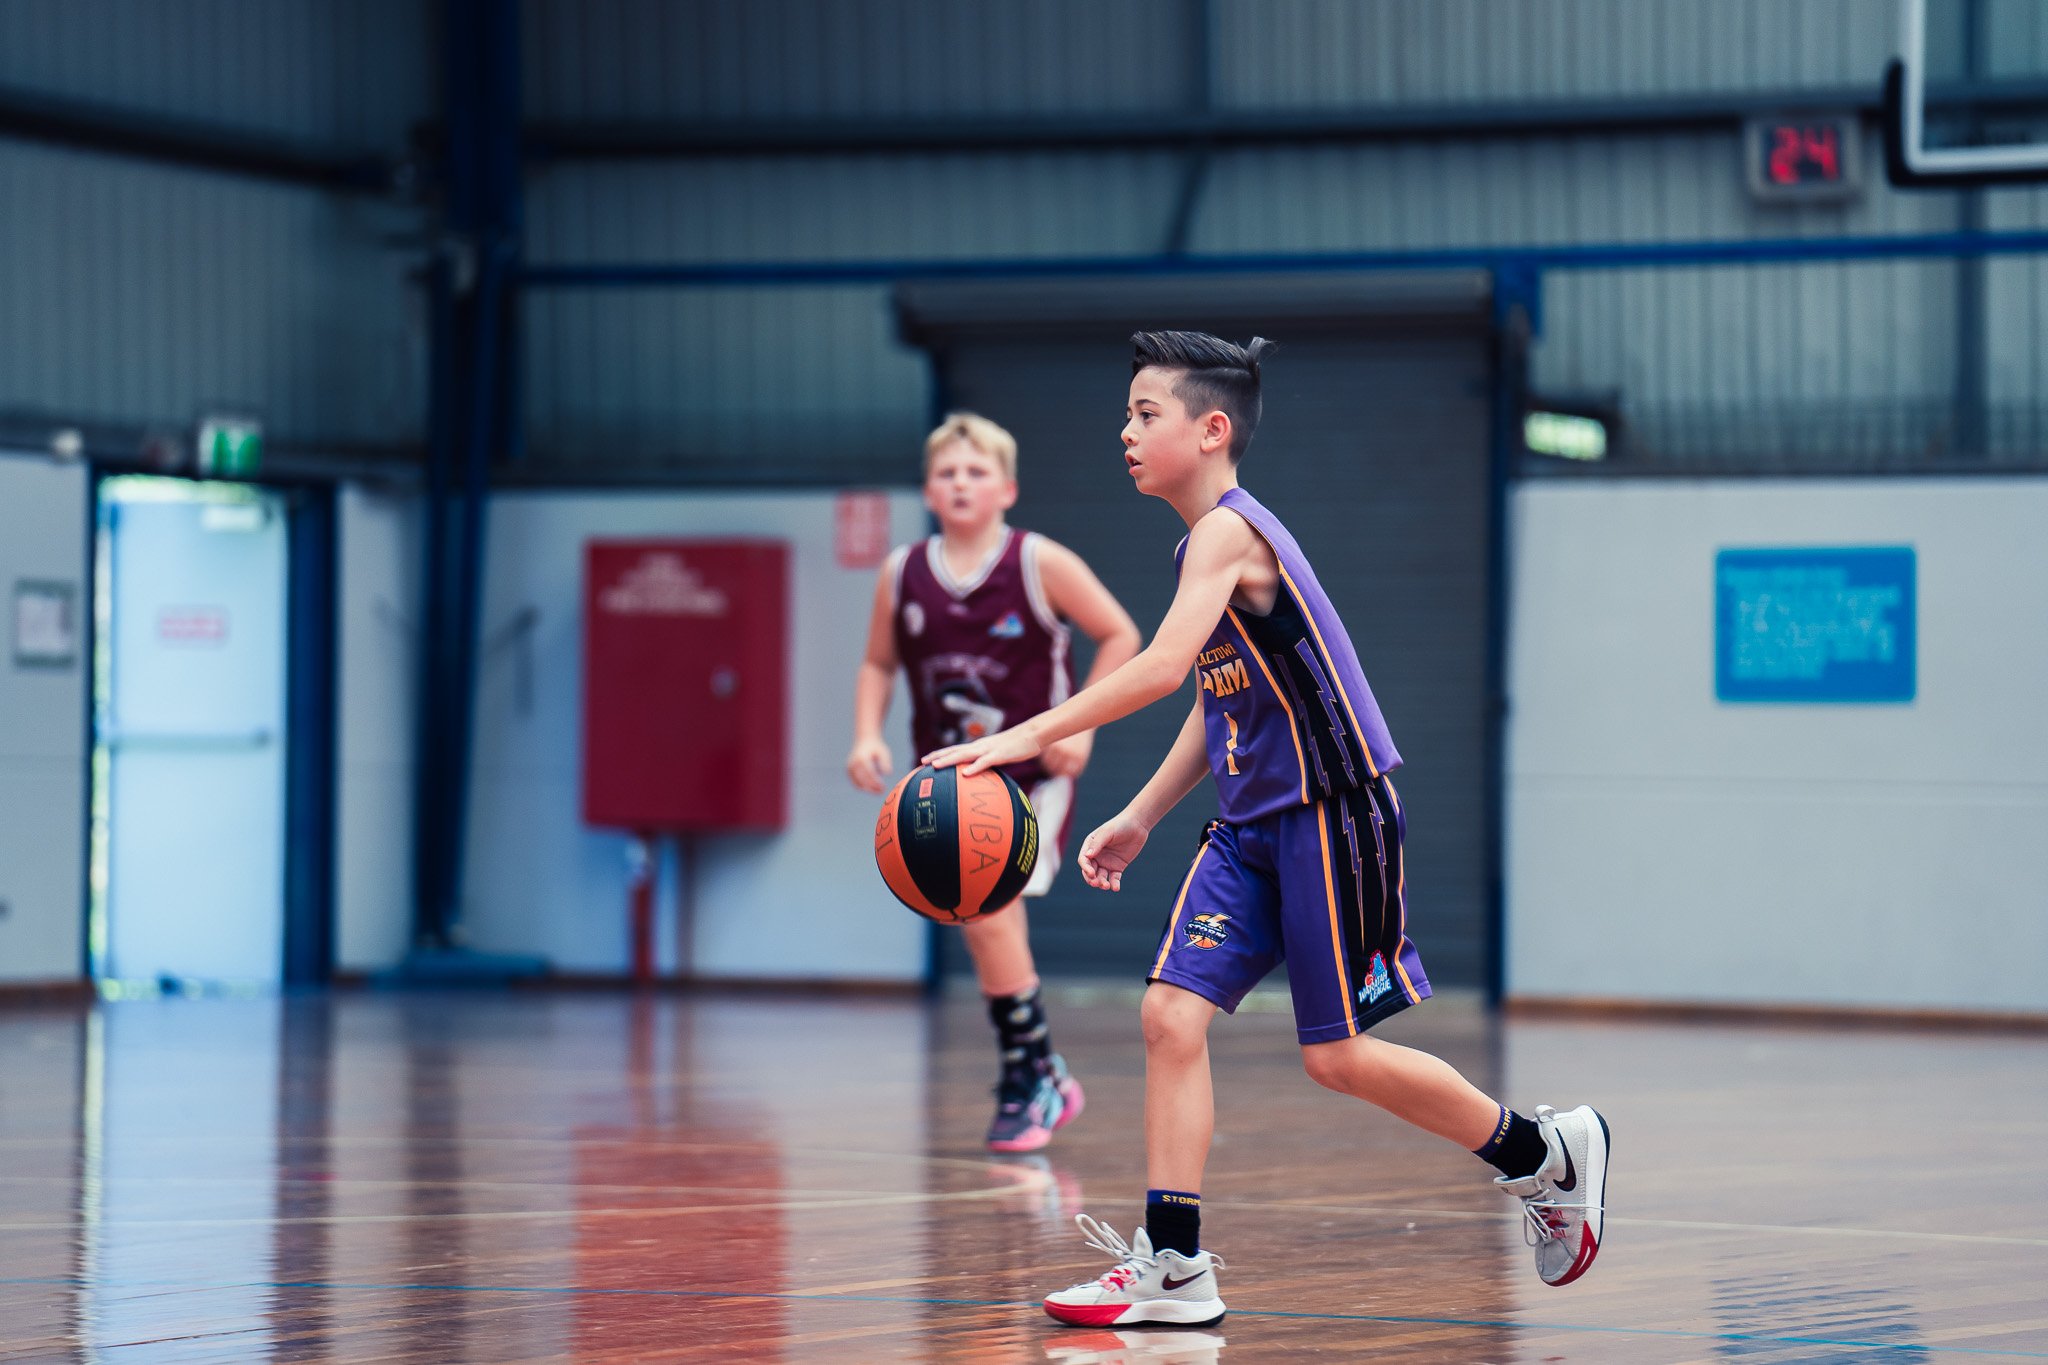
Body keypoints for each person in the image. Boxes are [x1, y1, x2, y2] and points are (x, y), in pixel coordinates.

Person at [925, 334, 1610, 1328]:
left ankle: (1542, 1155)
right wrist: (1140, 813)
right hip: (1247, 826)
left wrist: (1024, 736)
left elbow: (1161, 666)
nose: (1124, 433)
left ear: (1211, 429)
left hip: (1331, 813)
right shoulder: (1196, 549)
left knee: (1336, 1058)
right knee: (1169, 1016)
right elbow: (1215, 697)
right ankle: (1173, 1266)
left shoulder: (1231, 532)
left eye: (1144, 414)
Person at [850, 411, 1141, 1152]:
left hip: (1027, 774)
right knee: (979, 919)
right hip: (943, 779)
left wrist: (1079, 726)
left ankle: (1030, 1072)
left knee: (987, 910)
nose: (960, 483)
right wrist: (865, 733)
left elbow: (1121, 634)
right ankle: (1039, 1070)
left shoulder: (1039, 561)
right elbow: (879, 661)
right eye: (946, 473)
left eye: (976, 472)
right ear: (927, 490)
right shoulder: (901, 572)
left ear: (1006, 489)